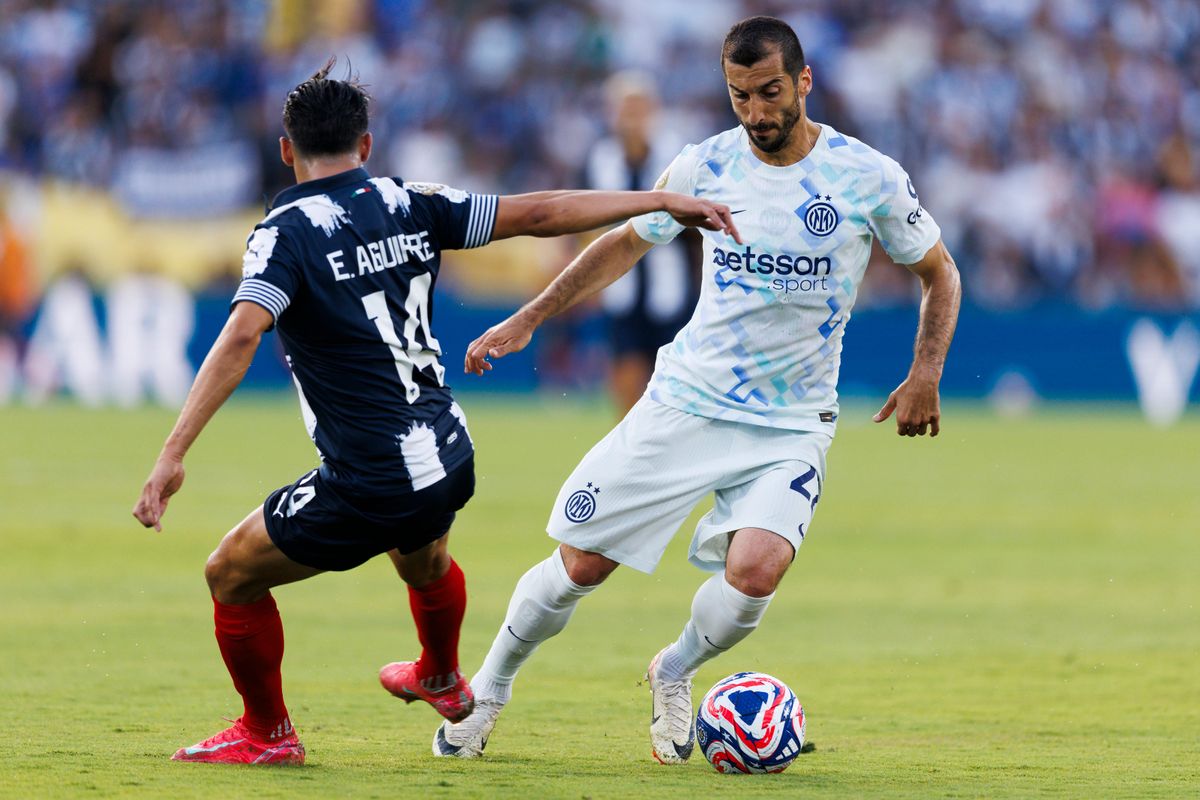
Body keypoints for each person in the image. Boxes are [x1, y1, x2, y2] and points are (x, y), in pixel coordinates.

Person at [131, 59, 739, 766]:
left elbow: (242, 333)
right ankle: (443, 676)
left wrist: (172, 453)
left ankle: (268, 735)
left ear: (286, 150)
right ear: (365, 145)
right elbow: (540, 213)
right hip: (449, 452)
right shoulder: (408, 199)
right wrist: (655, 201)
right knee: (419, 554)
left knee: (229, 574)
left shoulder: (283, 233)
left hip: (371, 474)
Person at [435, 16, 961, 763]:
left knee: (755, 572)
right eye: (740, 96)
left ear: (805, 82)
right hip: (686, 401)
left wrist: (927, 372)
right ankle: (486, 691)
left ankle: (673, 669)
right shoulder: (703, 167)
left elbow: (938, 270)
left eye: (771, 92)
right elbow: (624, 240)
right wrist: (530, 317)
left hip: (791, 421)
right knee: (580, 565)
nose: (757, 112)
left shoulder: (866, 176)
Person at [584, 72, 698, 414]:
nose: (631, 118)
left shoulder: (677, 156)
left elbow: (697, 229)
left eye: (639, 109)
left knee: (674, 380)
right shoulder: (600, 158)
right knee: (626, 372)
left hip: (671, 283)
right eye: (624, 109)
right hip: (621, 282)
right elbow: (586, 220)